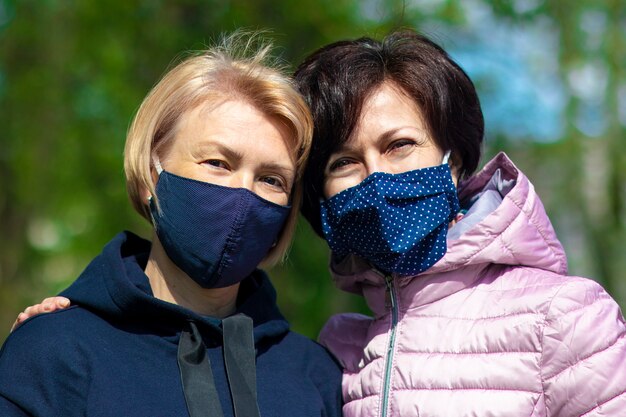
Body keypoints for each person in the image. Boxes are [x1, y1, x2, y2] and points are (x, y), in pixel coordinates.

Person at [14, 30, 626, 416]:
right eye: (344, 161)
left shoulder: (564, 319)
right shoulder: (342, 355)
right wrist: (84, 318)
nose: (376, 177)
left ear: (452, 159)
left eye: (400, 145)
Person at [0, 32, 342, 417]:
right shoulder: (56, 353)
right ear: (151, 173)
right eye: (218, 163)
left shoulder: (316, 376)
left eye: (271, 179)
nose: (243, 194)